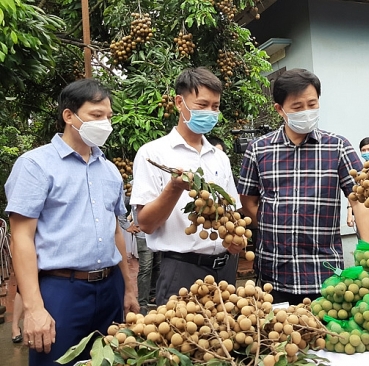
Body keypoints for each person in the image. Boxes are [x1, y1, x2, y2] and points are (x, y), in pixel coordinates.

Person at [4, 78, 139, 366]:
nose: (105, 123)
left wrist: (128, 288)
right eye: (96, 115)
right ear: (69, 115)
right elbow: (21, 238)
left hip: (109, 287)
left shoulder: (111, 170)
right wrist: (35, 307)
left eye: (108, 117)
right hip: (61, 290)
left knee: (111, 360)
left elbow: (115, 230)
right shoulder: (35, 165)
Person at [237, 68, 369, 305]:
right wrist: (277, 228)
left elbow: (360, 201)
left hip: (324, 273)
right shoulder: (259, 149)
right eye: (298, 107)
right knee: (280, 338)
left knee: (326, 337)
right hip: (274, 272)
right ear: (279, 109)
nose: (307, 112)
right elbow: (248, 201)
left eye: (312, 104)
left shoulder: (338, 147)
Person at [130, 67, 242, 306]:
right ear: (180, 103)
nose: (210, 112)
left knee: (226, 340)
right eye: (202, 105)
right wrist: (174, 188)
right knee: (181, 342)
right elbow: (146, 224)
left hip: (225, 273)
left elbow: (233, 213)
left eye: (215, 106)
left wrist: (235, 240)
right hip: (180, 271)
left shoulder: (219, 157)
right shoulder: (152, 153)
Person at [347, 137, 369, 229]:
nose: (366, 152)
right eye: (363, 150)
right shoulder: (359, 170)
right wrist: (349, 213)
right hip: (363, 210)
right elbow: (354, 192)